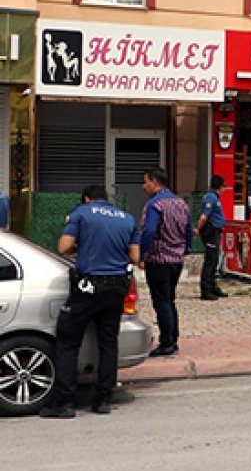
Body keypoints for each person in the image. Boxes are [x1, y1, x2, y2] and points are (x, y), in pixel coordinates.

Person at [39, 185, 140, 418]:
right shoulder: (127, 218)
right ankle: (103, 399)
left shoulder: (81, 213)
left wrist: (80, 246)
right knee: (108, 342)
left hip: (88, 286)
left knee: (67, 340)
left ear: (87, 199)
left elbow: (63, 246)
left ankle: (64, 403)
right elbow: (135, 257)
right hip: (116, 286)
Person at [140, 168, 193, 358]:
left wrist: (140, 253)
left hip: (158, 259)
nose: (143, 186)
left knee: (161, 302)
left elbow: (148, 232)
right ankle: (173, 338)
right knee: (170, 299)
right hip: (176, 260)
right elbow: (189, 229)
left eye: (145, 182)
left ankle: (166, 343)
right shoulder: (181, 203)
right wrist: (185, 250)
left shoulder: (155, 205)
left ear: (155, 182)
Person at [196, 175, 228, 301]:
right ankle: (206, 290)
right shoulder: (211, 197)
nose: (225, 188)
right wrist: (198, 229)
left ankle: (213, 287)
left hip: (215, 231)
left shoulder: (215, 197)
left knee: (214, 260)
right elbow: (204, 217)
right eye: (224, 185)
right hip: (211, 231)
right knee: (210, 260)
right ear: (219, 186)